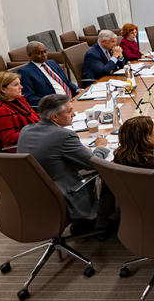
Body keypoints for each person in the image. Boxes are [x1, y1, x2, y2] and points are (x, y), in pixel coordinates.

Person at [17, 94, 112, 227]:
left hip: (32, 193)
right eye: (69, 111)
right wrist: (100, 147)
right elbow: (94, 163)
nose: (73, 114)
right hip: (63, 193)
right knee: (108, 173)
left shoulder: (26, 130)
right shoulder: (64, 136)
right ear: (54, 117)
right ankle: (101, 222)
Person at [0, 71, 39, 150]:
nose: (21, 87)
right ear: (3, 89)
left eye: (19, 84)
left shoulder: (20, 100)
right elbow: (9, 138)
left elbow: (35, 118)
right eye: (16, 85)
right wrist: (38, 131)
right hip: (21, 148)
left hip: (35, 139)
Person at [18, 41, 79, 107]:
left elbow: (66, 82)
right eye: (40, 53)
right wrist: (55, 101)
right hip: (55, 106)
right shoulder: (25, 72)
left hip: (72, 99)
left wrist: (77, 89)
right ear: (30, 55)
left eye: (45, 51)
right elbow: (29, 97)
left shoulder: (52, 63)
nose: (44, 55)